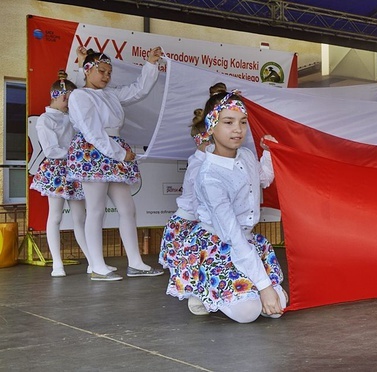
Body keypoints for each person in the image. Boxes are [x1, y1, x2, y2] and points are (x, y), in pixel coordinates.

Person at [175, 92, 286, 322]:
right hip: (220, 245)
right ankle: (203, 289)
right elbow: (232, 236)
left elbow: (262, 179)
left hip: (245, 242)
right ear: (212, 128)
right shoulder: (209, 176)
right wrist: (265, 287)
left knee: (278, 305)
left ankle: (244, 291)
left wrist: (268, 152)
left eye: (242, 122)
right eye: (228, 122)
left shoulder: (245, 155)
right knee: (249, 313)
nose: (238, 129)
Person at [67, 47, 165, 281]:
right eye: (101, 71)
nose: (106, 76)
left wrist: (151, 64)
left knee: (127, 209)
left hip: (113, 149)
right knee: (96, 210)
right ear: (87, 70)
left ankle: (136, 262)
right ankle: (97, 265)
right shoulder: (79, 96)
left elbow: (139, 91)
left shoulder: (110, 94)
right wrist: (119, 154)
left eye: (109, 73)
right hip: (95, 151)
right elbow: (92, 132)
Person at [30, 71, 93, 277]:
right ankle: (57, 263)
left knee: (79, 218)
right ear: (60, 96)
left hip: (74, 170)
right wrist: (75, 154)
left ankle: (93, 261)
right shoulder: (45, 120)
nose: (70, 103)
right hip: (56, 170)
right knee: (55, 216)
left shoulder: (72, 119)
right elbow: (50, 150)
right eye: (68, 98)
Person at [159, 108, 212, 315]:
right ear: (204, 141)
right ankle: (197, 299)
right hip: (186, 225)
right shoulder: (199, 165)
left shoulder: (201, 161)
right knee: (190, 269)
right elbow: (202, 201)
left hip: (188, 223)